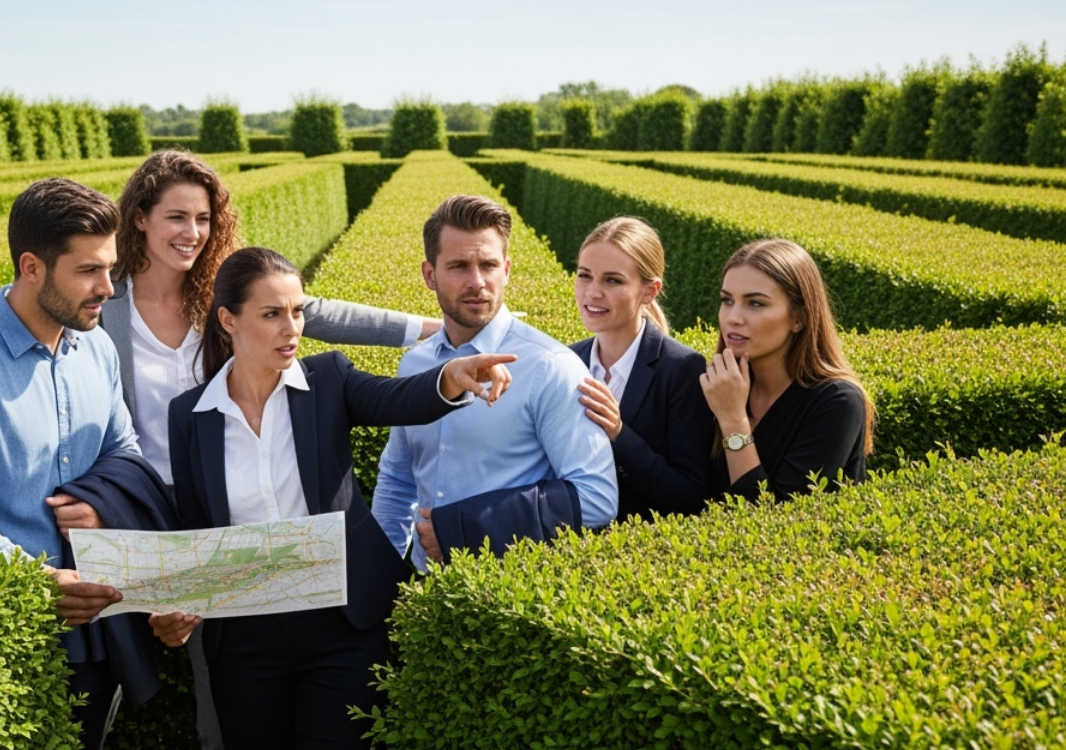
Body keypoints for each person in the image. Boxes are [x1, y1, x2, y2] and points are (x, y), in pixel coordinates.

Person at [0, 148, 438, 750]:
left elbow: (312, 314)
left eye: (203, 218)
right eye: (175, 216)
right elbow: (33, 299)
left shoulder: (217, 298)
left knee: (238, 741)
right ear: (140, 219)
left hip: (210, 535)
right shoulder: (100, 314)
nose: (191, 231)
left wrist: (425, 328)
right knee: (177, 739)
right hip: (146, 531)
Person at [147, 246, 514, 750]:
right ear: (229, 321)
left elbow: (402, 398)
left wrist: (452, 379)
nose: (292, 329)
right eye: (271, 315)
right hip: (244, 643)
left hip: (342, 634)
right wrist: (177, 606)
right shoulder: (190, 417)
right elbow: (197, 528)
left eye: (298, 312)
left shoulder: (329, 382)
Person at [0, 177, 169, 750]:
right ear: (31, 266)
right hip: (8, 626)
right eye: (88, 271)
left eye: (110, 268)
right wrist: (38, 581)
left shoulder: (98, 347)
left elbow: (124, 451)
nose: (109, 288)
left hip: (101, 620)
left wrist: (98, 507)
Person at [371, 195, 619, 567]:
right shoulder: (414, 365)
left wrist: (464, 530)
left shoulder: (551, 367)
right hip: (422, 594)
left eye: (488, 265)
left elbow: (597, 498)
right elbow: (398, 480)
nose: (477, 282)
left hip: (506, 602)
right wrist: (379, 578)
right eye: (458, 266)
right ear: (429, 274)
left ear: (506, 269)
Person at [702, 238, 873, 501]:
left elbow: (776, 520)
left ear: (799, 319)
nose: (733, 317)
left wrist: (734, 421)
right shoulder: (719, 384)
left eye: (756, 303)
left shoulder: (838, 403)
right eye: (727, 300)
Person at [567, 217, 713, 521]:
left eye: (612, 280)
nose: (592, 292)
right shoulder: (566, 359)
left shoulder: (682, 369)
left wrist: (618, 435)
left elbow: (691, 495)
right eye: (584, 275)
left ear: (650, 291)